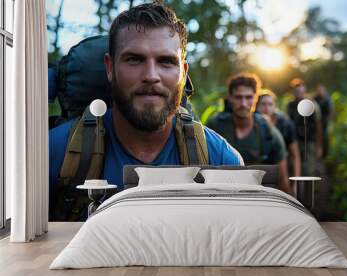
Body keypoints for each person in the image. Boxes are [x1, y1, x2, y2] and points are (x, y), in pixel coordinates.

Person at [49, 2, 243, 221]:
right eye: (134, 59)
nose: (151, 75)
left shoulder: (221, 161)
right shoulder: (51, 155)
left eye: (166, 61)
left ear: (183, 72)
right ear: (110, 68)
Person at [207, 73, 292, 196]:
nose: (243, 103)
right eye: (238, 97)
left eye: (248, 97)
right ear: (230, 98)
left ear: (256, 98)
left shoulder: (267, 131)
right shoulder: (215, 127)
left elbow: (283, 179)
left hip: (259, 197)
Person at [256, 89, 301, 179]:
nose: (267, 108)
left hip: (282, 169)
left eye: (270, 104)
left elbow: (295, 155)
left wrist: (296, 182)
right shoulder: (252, 123)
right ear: (256, 106)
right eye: (263, 104)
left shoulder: (285, 124)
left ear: (275, 106)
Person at [287, 78, 323, 176]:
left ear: (305, 91)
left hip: (309, 141)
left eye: (301, 91)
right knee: (294, 167)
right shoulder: (290, 105)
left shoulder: (312, 105)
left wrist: (319, 146)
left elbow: (318, 125)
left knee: (308, 170)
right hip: (295, 141)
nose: (299, 93)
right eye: (297, 91)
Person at [313, 84, 332, 158]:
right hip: (316, 120)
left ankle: (325, 154)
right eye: (319, 90)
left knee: (325, 136)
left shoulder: (327, 99)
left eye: (321, 89)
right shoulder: (315, 98)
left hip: (324, 121)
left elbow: (330, 111)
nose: (320, 91)